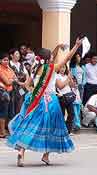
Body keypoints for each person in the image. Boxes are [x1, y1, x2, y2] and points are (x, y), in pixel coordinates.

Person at [7, 37, 83, 167]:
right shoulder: (52, 68)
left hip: (35, 100)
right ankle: (46, 155)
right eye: (51, 57)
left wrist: (32, 92)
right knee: (52, 128)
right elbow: (67, 58)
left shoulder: (34, 68)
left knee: (31, 126)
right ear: (49, 59)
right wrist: (76, 46)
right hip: (50, 101)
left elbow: (26, 85)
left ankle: (21, 151)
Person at [0, 53, 17, 138]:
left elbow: (15, 77)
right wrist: (11, 79)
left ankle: (8, 130)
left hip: (11, 92)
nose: (6, 61)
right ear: (0, 61)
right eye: (4, 60)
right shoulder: (0, 69)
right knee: (3, 112)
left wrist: (11, 79)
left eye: (7, 60)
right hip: (3, 93)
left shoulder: (9, 68)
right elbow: (8, 82)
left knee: (11, 112)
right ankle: (2, 132)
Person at [9, 48, 29, 115]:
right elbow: (12, 77)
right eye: (17, 53)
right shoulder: (9, 65)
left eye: (18, 53)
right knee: (15, 105)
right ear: (11, 55)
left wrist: (26, 81)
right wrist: (21, 83)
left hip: (22, 87)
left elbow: (27, 74)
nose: (19, 55)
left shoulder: (21, 64)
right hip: (13, 88)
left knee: (23, 102)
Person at [56, 65, 75, 134]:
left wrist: (70, 78)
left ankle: (68, 130)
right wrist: (68, 79)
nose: (62, 69)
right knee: (62, 114)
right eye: (61, 67)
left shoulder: (67, 76)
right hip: (62, 97)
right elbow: (60, 86)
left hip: (69, 97)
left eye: (64, 67)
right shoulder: (57, 76)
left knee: (71, 114)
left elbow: (72, 85)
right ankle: (61, 130)